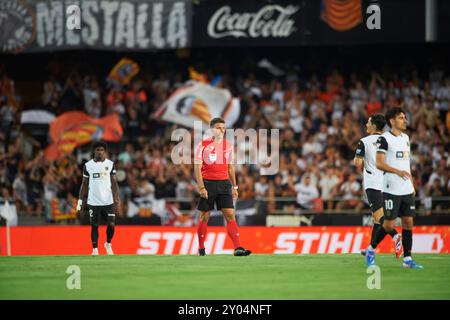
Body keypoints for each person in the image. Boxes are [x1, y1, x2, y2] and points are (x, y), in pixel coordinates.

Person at [365, 108, 423, 269]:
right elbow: (379, 163)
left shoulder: (406, 138)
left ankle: (408, 259)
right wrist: (398, 172)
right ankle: (371, 249)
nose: (405, 121)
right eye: (401, 118)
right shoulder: (384, 139)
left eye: (405, 117)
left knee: (408, 222)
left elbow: (406, 164)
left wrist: (411, 183)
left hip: (406, 187)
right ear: (392, 121)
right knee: (389, 225)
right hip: (391, 187)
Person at [194, 117, 251, 256]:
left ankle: (238, 247)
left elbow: (230, 167)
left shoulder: (228, 145)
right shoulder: (202, 145)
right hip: (208, 183)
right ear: (212, 129)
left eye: (223, 128)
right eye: (219, 127)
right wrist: (201, 187)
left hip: (224, 183)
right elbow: (197, 167)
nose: (222, 130)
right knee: (204, 217)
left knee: (231, 215)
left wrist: (234, 187)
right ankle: (201, 248)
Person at [354, 114, 402, 258]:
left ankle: (395, 236)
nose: (366, 125)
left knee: (379, 216)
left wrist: (356, 158)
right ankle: (370, 249)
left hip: (373, 183)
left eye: (368, 123)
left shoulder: (364, 141)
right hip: (387, 183)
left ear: (374, 126)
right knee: (376, 219)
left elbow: (357, 163)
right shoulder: (389, 140)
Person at [77, 141, 120, 256]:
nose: (100, 152)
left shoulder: (110, 164)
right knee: (95, 226)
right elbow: (84, 184)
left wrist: (116, 198)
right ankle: (95, 249)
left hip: (108, 201)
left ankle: (108, 243)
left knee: (111, 224)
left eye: (102, 150)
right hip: (93, 201)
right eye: (98, 150)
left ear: (105, 151)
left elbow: (114, 182)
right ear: (94, 151)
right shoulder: (88, 165)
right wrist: (80, 202)